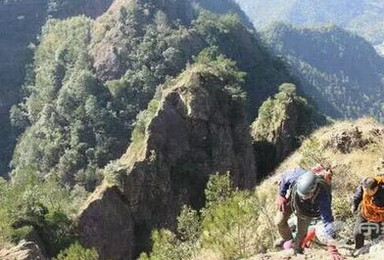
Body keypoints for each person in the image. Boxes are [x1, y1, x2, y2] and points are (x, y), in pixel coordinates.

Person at [275, 166, 343, 259]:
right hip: (293, 198)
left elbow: (328, 221)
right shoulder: (296, 176)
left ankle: (296, 249)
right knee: (279, 221)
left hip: (307, 211)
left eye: (305, 196)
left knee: (301, 233)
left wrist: (332, 247)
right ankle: (288, 239)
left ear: (313, 189)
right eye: (302, 195)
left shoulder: (323, 196)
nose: (303, 198)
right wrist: (281, 195)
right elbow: (285, 179)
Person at [351, 176, 384, 252]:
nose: (366, 193)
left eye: (368, 191)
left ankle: (374, 253)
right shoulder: (365, 185)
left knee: (375, 237)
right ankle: (358, 250)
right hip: (365, 211)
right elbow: (358, 195)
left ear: (375, 188)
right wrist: (354, 205)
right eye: (365, 190)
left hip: (378, 216)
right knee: (357, 233)